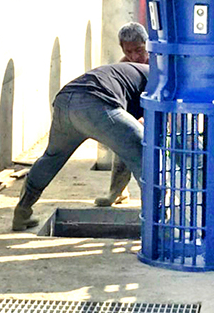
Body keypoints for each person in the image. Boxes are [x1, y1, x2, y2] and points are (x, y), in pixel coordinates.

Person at [11, 59, 148, 231]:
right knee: (145, 153)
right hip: (97, 102)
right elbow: (132, 148)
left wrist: (113, 195)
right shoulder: (157, 83)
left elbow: (123, 149)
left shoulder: (132, 73)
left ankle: (22, 212)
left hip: (65, 100)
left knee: (51, 158)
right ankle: (157, 225)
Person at [94, 22, 149, 208]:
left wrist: (147, 119)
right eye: (129, 52)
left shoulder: (158, 63)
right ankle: (117, 192)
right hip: (133, 113)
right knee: (123, 143)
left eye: (139, 50)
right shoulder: (122, 66)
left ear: (147, 44)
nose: (135, 56)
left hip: (160, 114)